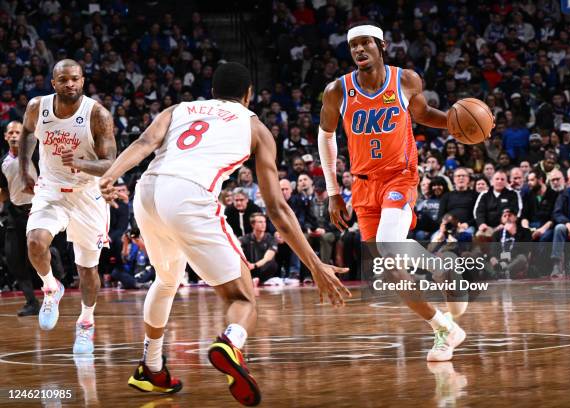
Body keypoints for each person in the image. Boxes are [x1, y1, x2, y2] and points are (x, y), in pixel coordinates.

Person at [99, 62, 350, 404]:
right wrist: (315, 265)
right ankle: (230, 342)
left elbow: (144, 142)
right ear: (248, 95)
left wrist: (111, 174)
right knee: (243, 298)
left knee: (166, 280)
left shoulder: (179, 108)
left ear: (213, 91)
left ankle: (152, 368)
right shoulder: (257, 128)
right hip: (188, 196)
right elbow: (277, 209)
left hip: (147, 192)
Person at [318, 21, 468, 362]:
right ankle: (445, 323)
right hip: (361, 184)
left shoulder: (405, 80)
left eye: (365, 43)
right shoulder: (337, 91)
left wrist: (455, 123)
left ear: (381, 46)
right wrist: (333, 191)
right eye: (353, 45)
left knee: (388, 246)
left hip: (399, 177)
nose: (358, 49)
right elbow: (325, 136)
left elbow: (424, 113)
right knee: (388, 269)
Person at [18, 59, 116, 354]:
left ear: (83, 81)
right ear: (54, 83)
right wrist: (25, 169)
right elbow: (25, 134)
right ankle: (51, 287)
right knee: (35, 242)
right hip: (50, 190)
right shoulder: (38, 106)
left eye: (74, 79)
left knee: (87, 270)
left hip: (87, 195)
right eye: (63, 80)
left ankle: (86, 323)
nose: (69, 84)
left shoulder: (97, 114)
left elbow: (111, 163)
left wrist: (82, 163)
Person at [0, 121, 39, 315]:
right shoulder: (3, 162)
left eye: (18, 132)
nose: (14, 135)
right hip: (15, 215)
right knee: (14, 259)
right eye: (11, 133)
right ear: (6, 137)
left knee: (43, 254)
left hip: (39, 212)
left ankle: (54, 287)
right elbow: (4, 191)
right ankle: (31, 302)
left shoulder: (36, 154)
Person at [240, 213, 279, 286]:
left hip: (262, 268)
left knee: (272, 264)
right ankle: (250, 279)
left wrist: (254, 265)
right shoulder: (245, 238)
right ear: (253, 224)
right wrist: (246, 264)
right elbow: (237, 250)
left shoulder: (271, 239)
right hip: (249, 268)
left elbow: (267, 258)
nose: (263, 224)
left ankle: (258, 280)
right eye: (260, 222)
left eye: (264, 222)